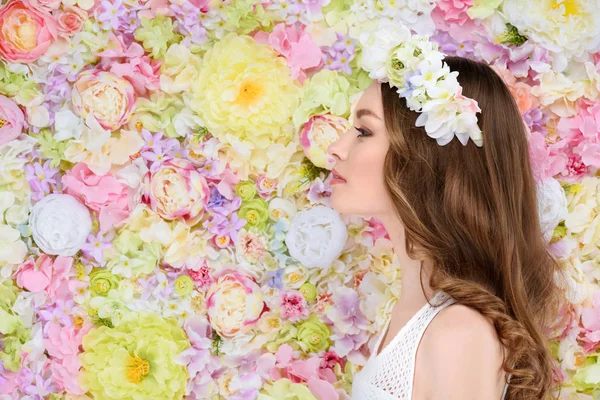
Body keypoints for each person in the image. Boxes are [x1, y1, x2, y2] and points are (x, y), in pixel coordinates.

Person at [327, 48, 564, 399]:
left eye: (363, 131)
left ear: (427, 156)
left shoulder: (457, 333)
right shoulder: (422, 313)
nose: (335, 148)